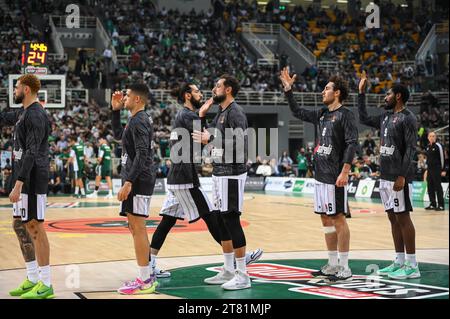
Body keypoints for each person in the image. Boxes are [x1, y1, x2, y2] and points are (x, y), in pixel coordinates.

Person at [150, 83, 263, 278]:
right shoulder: (188, 116)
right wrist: (202, 116)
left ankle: (149, 264)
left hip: (176, 176)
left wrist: (203, 118)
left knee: (167, 222)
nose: (201, 94)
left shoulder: (182, 115)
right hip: (185, 178)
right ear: (187, 96)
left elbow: (202, 138)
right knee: (213, 217)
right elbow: (206, 136)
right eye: (196, 91)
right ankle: (238, 258)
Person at [280, 67, 357, 281]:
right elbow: (297, 112)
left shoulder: (346, 115)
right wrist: (288, 91)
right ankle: (332, 264)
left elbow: (352, 144)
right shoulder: (322, 114)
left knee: (338, 219)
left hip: (335, 177)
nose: (323, 92)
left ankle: (345, 266)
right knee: (325, 220)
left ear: (337, 93)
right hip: (320, 176)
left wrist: (345, 171)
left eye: (327, 89)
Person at [193, 74, 254, 290]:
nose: (213, 89)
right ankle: (228, 269)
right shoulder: (221, 112)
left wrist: (209, 139)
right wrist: (201, 116)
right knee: (220, 220)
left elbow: (239, 144)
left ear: (228, 90)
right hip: (219, 171)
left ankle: (242, 274)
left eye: (217, 86)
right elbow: (206, 134)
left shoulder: (235, 112)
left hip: (232, 172)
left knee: (231, 220)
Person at [358, 70, 421, 279]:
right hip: (385, 176)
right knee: (393, 218)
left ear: (398, 96)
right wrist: (361, 94)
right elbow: (364, 118)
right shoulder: (386, 116)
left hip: (399, 177)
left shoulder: (408, 118)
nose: (385, 97)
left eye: (387, 94)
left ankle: (412, 265)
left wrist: (402, 176)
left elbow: (411, 149)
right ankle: (399, 261)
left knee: (404, 218)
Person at [0, 74, 54, 298]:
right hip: (22, 175)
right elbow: (3, 117)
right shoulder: (23, 113)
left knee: (34, 227)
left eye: (17, 87)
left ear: (27, 89)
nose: (14, 91)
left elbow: (32, 151)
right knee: (19, 225)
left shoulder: (36, 115)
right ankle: (32, 278)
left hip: (31, 178)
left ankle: (46, 283)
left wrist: (18, 184)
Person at [111, 84, 158, 295]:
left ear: (137, 99)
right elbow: (118, 136)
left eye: (127, 96)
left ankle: (145, 279)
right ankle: (146, 273)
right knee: (134, 227)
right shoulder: (136, 118)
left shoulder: (139, 120)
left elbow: (142, 155)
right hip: (136, 178)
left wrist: (129, 182)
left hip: (138, 180)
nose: (124, 98)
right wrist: (115, 111)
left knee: (138, 227)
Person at [424, 132, 445, 211]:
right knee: (430, 186)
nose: (432, 137)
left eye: (433, 136)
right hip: (429, 169)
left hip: (437, 169)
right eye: (430, 136)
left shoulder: (438, 146)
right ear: (428, 138)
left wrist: (442, 169)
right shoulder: (428, 146)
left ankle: (441, 205)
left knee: (438, 186)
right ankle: (432, 204)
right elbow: (429, 159)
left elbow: (442, 158)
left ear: (435, 137)